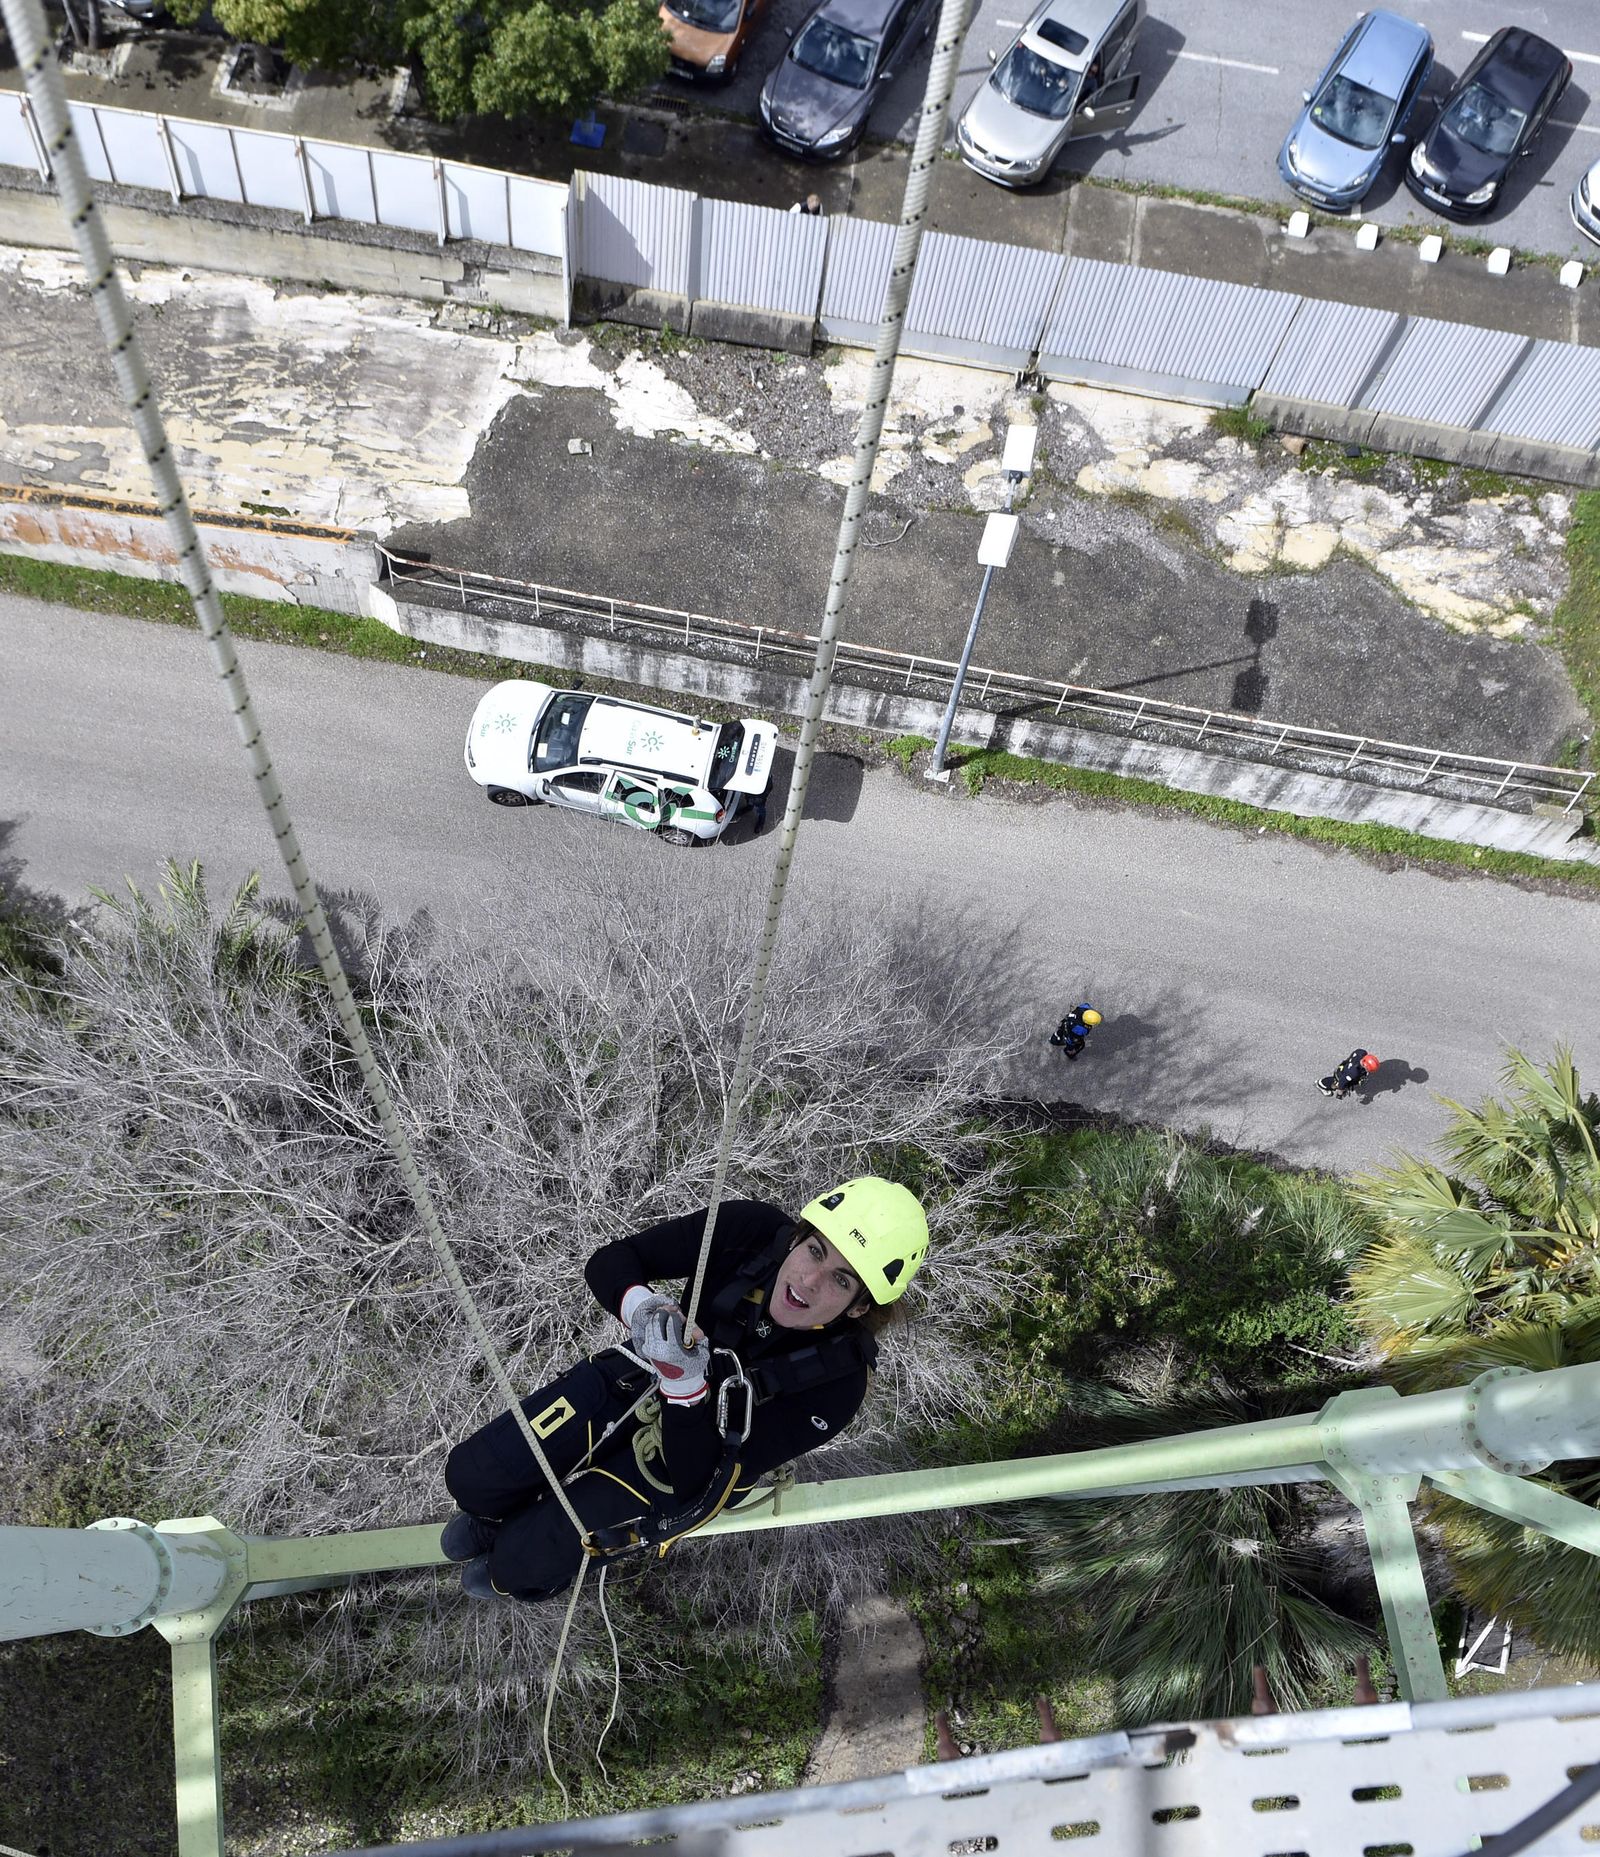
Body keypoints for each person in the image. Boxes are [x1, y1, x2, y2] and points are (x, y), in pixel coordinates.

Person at [438, 1176, 929, 1605]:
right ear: (798, 1237)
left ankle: (521, 1564)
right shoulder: (749, 1233)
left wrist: (687, 1386)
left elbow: (695, 1477)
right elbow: (613, 1261)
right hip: (637, 1378)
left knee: (516, 1565)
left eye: (840, 1281)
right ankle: (499, 1514)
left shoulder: (837, 1387)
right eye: (815, 1251)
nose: (808, 1281)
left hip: (682, 1464)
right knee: (471, 1477)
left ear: (859, 1308)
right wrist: (641, 1307)